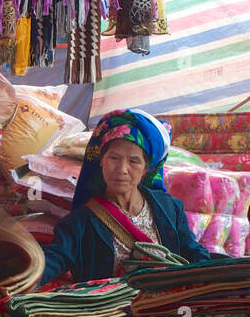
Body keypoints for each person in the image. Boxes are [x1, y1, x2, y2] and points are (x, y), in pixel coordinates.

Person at [39, 108, 209, 285]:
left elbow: (192, 252)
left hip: (165, 306)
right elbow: (54, 259)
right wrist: (22, 278)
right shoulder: (80, 223)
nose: (121, 169)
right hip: (109, 310)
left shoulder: (169, 208)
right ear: (101, 161)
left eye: (133, 161)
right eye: (114, 158)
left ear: (146, 169)